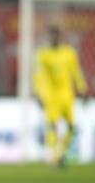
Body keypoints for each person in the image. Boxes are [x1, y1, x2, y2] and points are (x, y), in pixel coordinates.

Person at [33, 25, 87, 167]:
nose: (54, 38)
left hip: (67, 96)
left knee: (70, 127)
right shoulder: (43, 55)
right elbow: (38, 76)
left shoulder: (69, 53)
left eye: (56, 35)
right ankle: (53, 156)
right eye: (51, 35)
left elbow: (76, 72)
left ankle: (59, 154)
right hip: (51, 96)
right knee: (52, 126)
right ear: (48, 37)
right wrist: (39, 94)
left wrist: (82, 89)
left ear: (60, 37)